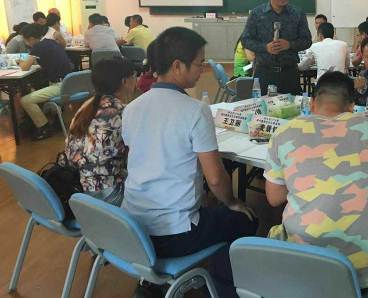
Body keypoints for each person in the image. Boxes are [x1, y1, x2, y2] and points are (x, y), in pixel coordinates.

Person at [121, 27, 258, 296]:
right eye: (199, 63)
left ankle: (152, 282)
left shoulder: (132, 108)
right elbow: (215, 178)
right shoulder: (194, 110)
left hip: (133, 228)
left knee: (212, 211)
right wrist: (233, 203)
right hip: (174, 234)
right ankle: (221, 287)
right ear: (177, 66)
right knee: (247, 219)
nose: (202, 69)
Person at [264, 71, 368, 290]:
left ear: (312, 103)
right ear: (351, 106)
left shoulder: (284, 132)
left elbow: (274, 198)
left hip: (302, 264)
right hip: (365, 268)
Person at [64, 57, 136, 205]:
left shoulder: (87, 105)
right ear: (124, 81)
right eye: (134, 76)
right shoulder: (122, 112)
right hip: (107, 191)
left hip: (80, 184)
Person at [241, 0, 312, 95]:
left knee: (292, 106)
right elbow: (246, 40)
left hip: (289, 73)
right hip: (264, 73)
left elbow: (307, 40)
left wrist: (289, 45)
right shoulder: (257, 14)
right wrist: (265, 47)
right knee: (263, 106)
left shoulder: (298, 14)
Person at [18, 23, 73, 140]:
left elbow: (24, 67)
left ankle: (44, 127)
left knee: (25, 100)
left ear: (31, 38)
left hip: (59, 86)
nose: (26, 43)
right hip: (69, 83)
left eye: (25, 40)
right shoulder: (51, 42)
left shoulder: (37, 47)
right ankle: (54, 121)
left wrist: (20, 62)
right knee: (39, 85)